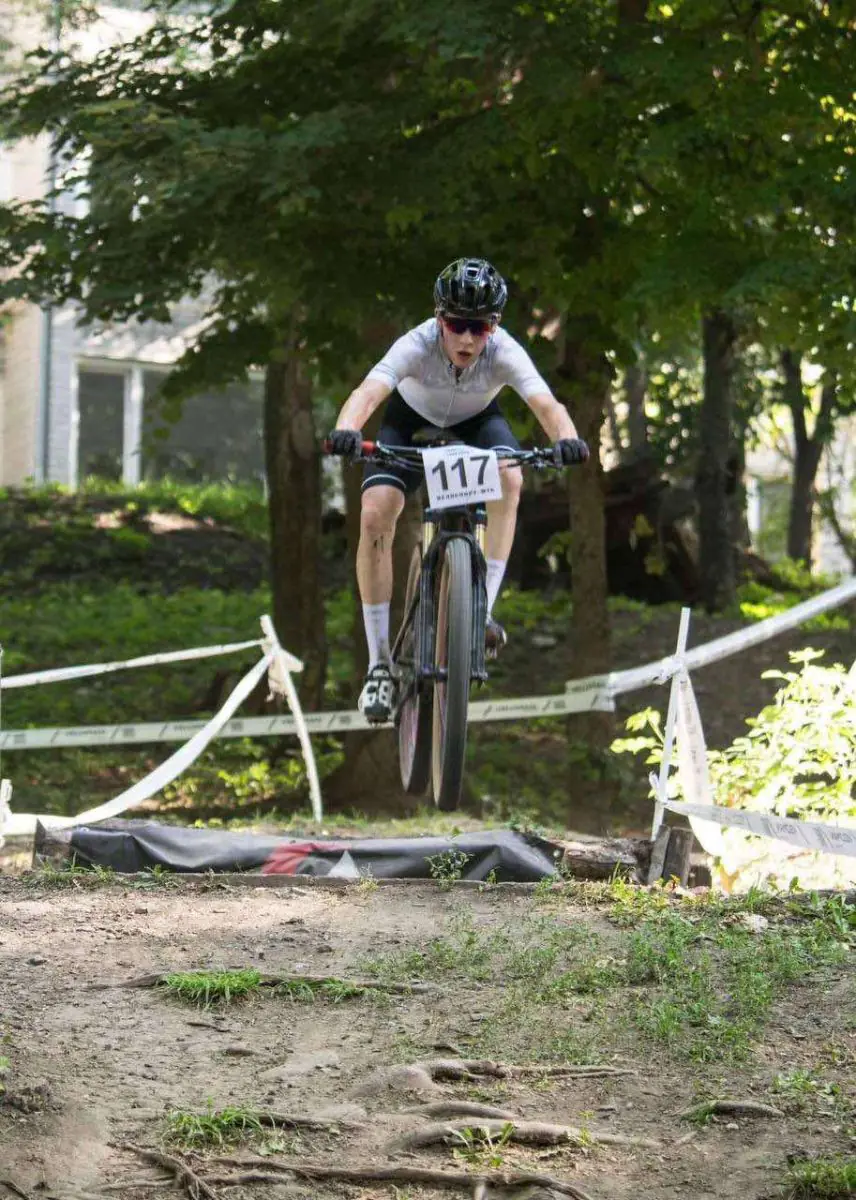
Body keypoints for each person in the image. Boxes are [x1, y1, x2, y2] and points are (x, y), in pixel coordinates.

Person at [327, 257, 589, 722]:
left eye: (480, 328)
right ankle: (379, 665)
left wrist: (566, 439)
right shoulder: (415, 344)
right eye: (457, 324)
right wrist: (347, 428)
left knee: (511, 476)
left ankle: (481, 607)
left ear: (495, 326)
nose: (467, 339)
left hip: (477, 422)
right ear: (438, 318)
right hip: (408, 423)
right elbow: (368, 393)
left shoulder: (503, 350)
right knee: (375, 513)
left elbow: (546, 402)